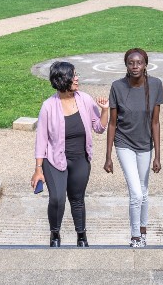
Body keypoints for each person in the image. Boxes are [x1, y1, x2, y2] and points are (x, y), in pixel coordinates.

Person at [31, 61, 109, 247]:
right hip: (54, 160)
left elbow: (99, 127)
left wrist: (105, 110)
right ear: (62, 80)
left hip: (80, 159)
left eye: (76, 74)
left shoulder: (85, 100)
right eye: (73, 75)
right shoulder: (48, 106)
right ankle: (55, 233)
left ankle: (81, 236)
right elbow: (41, 139)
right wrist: (38, 169)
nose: (77, 78)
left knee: (77, 199)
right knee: (57, 198)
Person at [104, 48, 163, 248]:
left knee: (144, 191)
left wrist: (157, 155)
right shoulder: (117, 87)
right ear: (126, 65)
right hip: (124, 143)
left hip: (145, 144)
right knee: (136, 193)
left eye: (139, 62)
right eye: (131, 63)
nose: (135, 66)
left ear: (145, 64)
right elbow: (112, 123)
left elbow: (155, 122)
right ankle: (135, 235)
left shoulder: (155, 85)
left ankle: (144, 230)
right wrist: (108, 156)